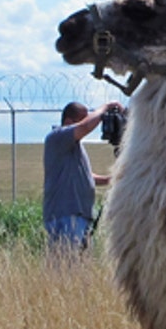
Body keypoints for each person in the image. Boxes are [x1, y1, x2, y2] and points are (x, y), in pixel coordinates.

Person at [42, 101, 118, 253]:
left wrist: (112, 180)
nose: (87, 122)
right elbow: (85, 127)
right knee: (67, 266)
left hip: (79, 214)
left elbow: (85, 176)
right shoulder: (58, 137)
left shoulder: (72, 147)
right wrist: (105, 108)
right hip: (67, 214)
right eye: (82, 118)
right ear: (69, 121)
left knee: (78, 269)